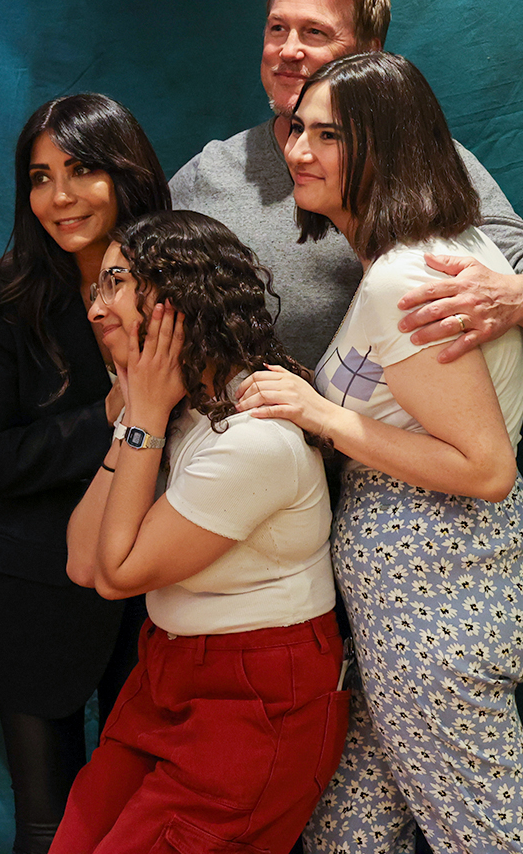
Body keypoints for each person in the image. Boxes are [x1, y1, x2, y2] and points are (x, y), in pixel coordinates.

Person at [0, 0, 523, 384]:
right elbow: (99, 262)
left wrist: (511, 297)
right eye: (278, 29)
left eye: (315, 33)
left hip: (395, 479)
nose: (288, 51)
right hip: (250, 482)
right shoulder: (213, 172)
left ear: (369, 55)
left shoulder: (425, 160)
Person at [237, 51, 523, 854]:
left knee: (494, 841)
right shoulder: (432, 252)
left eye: (329, 136)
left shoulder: (408, 277)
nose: (299, 152)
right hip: (415, 603)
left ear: (387, 146)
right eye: (297, 129)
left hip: (441, 598)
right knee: (349, 838)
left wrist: (322, 414)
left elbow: (484, 469)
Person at [51, 209, 348, 854]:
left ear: (172, 299)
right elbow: (82, 562)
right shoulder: (182, 410)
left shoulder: (254, 436)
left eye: (115, 283)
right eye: (96, 287)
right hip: (167, 675)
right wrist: (140, 412)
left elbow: (119, 575)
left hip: (256, 702)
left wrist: (143, 416)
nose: (97, 307)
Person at [0, 94, 169, 854]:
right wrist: (113, 413)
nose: (60, 197)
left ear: (126, 174)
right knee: (48, 832)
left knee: (139, 826)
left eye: (81, 171)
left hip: (157, 595)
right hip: (35, 597)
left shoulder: (179, 282)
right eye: (40, 178)